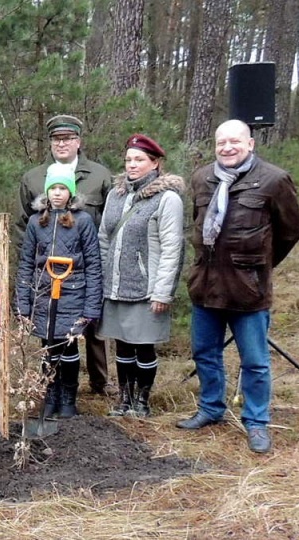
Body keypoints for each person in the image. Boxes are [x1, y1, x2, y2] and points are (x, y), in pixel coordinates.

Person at [176, 119, 299, 454]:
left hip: (248, 291)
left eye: (235, 141)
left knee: (255, 361)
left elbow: (289, 232)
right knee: (205, 353)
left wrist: (258, 266)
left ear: (250, 144)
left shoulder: (274, 180)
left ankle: (256, 421)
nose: (227, 148)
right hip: (206, 286)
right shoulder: (202, 178)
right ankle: (211, 408)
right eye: (221, 143)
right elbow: (197, 225)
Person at [18, 114, 112, 396]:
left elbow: (109, 219)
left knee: (91, 328)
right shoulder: (33, 177)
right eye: (56, 139)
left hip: (87, 268)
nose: (62, 143)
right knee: (52, 334)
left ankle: (99, 384)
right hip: (48, 275)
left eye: (68, 138)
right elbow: (24, 224)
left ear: (78, 141)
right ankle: (53, 388)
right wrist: (36, 266)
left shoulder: (99, 175)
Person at [97, 134, 185, 418]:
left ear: (155, 163)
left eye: (139, 160)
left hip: (147, 289)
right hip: (115, 286)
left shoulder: (167, 199)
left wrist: (162, 292)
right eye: (128, 160)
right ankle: (124, 400)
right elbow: (103, 239)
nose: (132, 165)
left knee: (143, 346)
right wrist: (102, 280)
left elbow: (173, 248)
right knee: (122, 344)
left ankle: (142, 402)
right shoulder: (115, 195)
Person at [15, 164, 103, 419]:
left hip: (73, 293)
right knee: (47, 347)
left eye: (63, 188)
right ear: (46, 191)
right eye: (53, 188)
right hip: (43, 294)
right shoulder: (35, 222)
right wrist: (23, 304)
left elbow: (93, 265)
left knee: (68, 347)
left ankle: (68, 397)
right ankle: (50, 394)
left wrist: (90, 308)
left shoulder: (83, 221)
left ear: (71, 192)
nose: (57, 193)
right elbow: (26, 263)